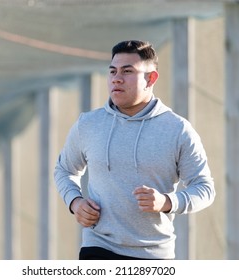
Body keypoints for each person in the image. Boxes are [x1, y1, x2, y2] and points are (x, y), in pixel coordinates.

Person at [54, 40, 215, 260]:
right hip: (98, 247)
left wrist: (168, 202)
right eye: (112, 71)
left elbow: (205, 188)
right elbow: (64, 170)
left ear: (151, 78)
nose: (116, 78)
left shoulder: (178, 130)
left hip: (155, 255)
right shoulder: (88, 124)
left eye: (127, 71)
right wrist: (75, 202)